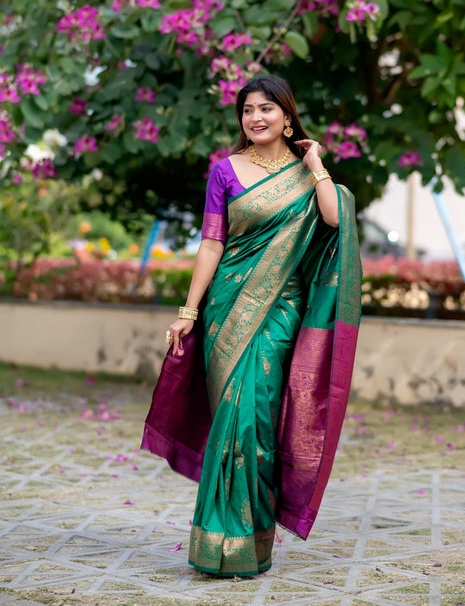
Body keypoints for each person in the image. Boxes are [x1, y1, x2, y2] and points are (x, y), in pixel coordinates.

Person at [141, 75, 361, 578]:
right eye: (247, 110)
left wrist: (316, 165)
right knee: (230, 422)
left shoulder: (306, 175)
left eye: (266, 109)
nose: (256, 118)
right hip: (225, 310)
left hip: (280, 311)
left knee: (255, 419)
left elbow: (333, 220)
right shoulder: (224, 171)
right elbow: (212, 245)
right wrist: (189, 311)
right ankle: (221, 542)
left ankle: (249, 542)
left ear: (287, 116)